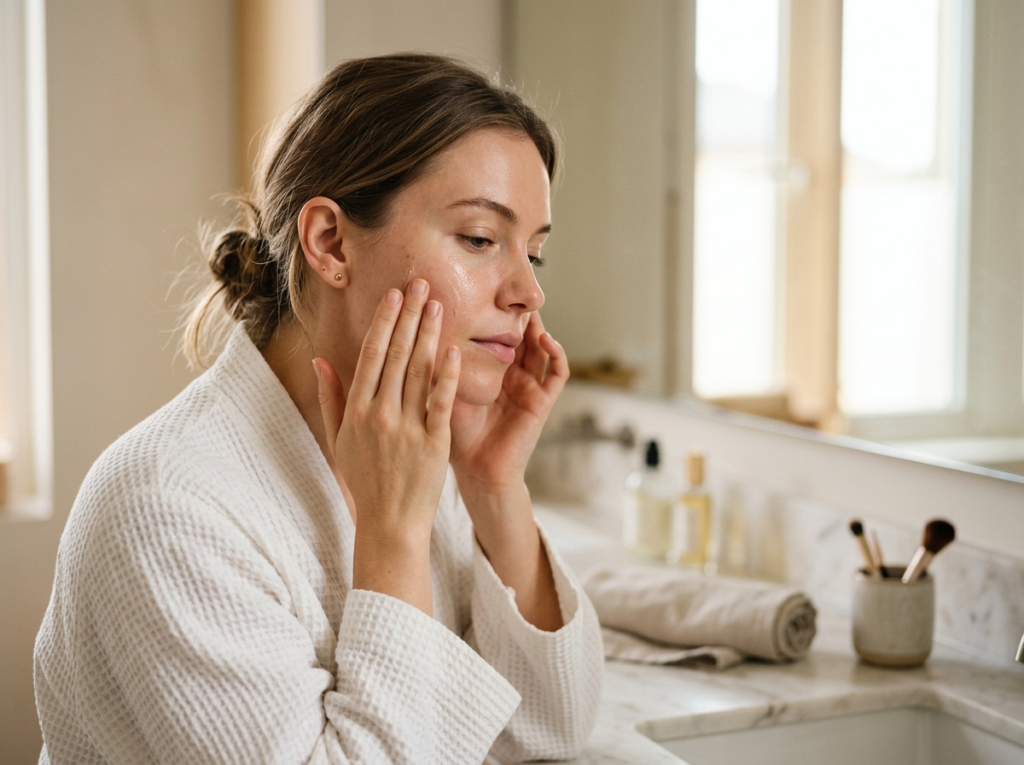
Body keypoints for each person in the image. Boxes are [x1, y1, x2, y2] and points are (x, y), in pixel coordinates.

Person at [34, 54, 603, 764]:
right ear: (331, 242)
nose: (528, 292)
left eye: (534, 253)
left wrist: (494, 488)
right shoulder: (167, 507)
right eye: (482, 240)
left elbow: (550, 731)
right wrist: (392, 541)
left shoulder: (414, 447)